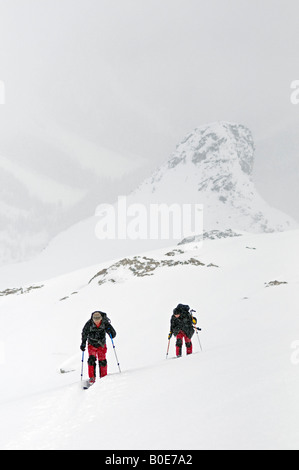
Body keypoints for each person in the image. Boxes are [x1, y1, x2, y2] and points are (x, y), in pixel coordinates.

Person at [80, 311, 116, 384]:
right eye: (95, 320)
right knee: (91, 360)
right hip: (91, 344)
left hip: (101, 345)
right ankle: (92, 378)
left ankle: (103, 377)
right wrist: (83, 343)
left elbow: (113, 334)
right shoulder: (89, 324)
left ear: (101, 319)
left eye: (98, 320)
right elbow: (84, 333)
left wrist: (110, 332)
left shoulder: (105, 323)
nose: (96, 322)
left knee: (102, 361)